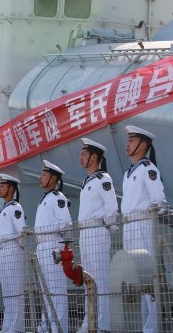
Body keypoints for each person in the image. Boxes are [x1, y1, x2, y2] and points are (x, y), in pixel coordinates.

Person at [121, 126, 165, 333]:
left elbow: (159, 201)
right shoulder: (129, 172)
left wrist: (145, 216)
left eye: (132, 140)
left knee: (148, 279)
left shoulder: (148, 169)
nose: (127, 144)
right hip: (129, 226)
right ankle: (145, 325)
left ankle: (153, 327)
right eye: (128, 140)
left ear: (143, 145)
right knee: (136, 280)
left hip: (143, 225)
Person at [76, 138, 118, 333]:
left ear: (94, 157)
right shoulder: (87, 182)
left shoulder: (103, 180)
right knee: (88, 281)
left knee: (100, 280)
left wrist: (104, 227)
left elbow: (111, 210)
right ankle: (89, 323)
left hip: (98, 231)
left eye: (84, 154)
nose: (81, 157)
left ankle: (103, 325)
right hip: (85, 233)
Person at [34, 160, 71, 333]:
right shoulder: (45, 199)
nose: (41, 178)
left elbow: (65, 224)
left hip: (53, 244)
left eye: (44, 174)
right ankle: (46, 325)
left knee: (56, 290)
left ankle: (58, 328)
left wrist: (44, 230)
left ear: (53, 178)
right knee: (46, 290)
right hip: (42, 246)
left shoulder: (58, 198)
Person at [0, 173, 26, 333]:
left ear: (11, 188)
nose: (0, 188)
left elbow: (22, 233)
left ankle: (17, 327)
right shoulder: (5, 209)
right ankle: (7, 326)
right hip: (3, 250)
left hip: (13, 249)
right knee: (7, 292)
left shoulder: (15, 208)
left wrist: (17, 250)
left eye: (3, 185)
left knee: (15, 290)